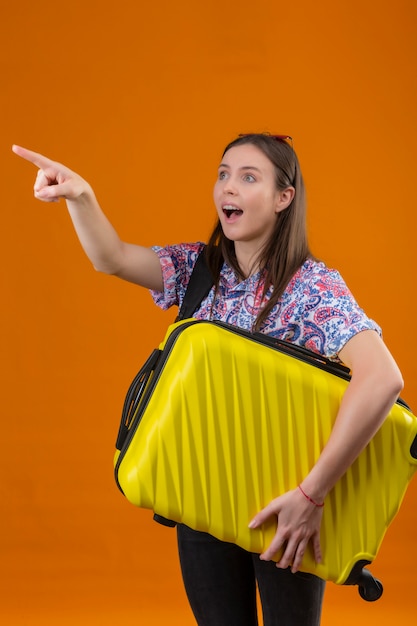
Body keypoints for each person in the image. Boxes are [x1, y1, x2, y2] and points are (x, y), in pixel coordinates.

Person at [12, 135, 403, 626]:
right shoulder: (201, 269)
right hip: (203, 495)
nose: (227, 188)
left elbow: (383, 378)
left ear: (285, 198)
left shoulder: (312, 288)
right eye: (223, 174)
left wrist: (311, 496)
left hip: (285, 507)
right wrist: (81, 195)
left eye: (248, 176)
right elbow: (110, 257)